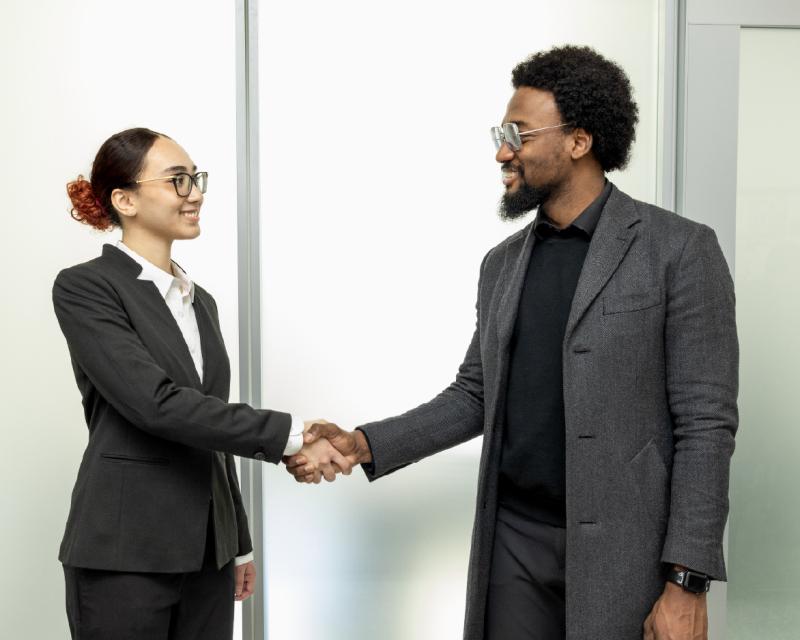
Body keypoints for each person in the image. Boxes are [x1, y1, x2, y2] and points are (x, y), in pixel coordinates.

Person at [285, 46, 738, 640]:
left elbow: (706, 426)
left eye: (518, 134)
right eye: (501, 135)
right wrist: (362, 443)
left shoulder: (679, 250)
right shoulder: (500, 265)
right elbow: (474, 395)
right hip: (513, 542)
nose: (502, 151)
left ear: (579, 141)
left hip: (628, 554)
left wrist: (687, 580)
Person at [54, 127, 350, 640]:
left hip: (209, 552)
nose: (195, 193)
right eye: (177, 180)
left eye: (196, 178)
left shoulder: (200, 301)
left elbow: (208, 422)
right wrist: (294, 435)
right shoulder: (87, 287)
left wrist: (238, 541)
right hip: (124, 550)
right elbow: (157, 405)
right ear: (125, 200)